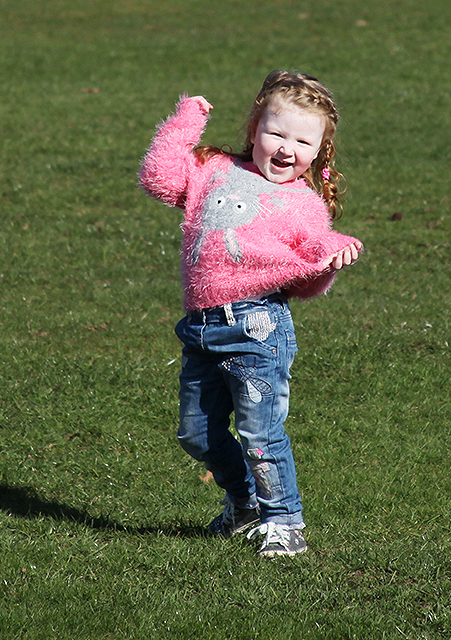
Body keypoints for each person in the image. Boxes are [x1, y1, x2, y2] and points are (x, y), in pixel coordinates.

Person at [138, 70, 363, 556]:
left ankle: (284, 522)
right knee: (196, 433)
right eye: (276, 132)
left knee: (261, 432)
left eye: (303, 141)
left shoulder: (303, 206)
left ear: (320, 151)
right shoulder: (214, 170)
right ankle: (243, 503)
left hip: (258, 328)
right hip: (201, 327)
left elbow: (307, 276)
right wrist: (187, 118)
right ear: (254, 128)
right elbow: (157, 178)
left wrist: (331, 256)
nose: (286, 148)